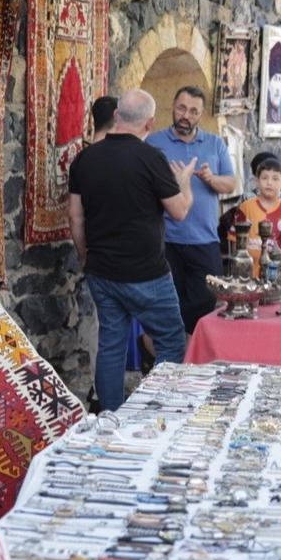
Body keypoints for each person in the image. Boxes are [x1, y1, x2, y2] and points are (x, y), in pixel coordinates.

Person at [68, 89, 196, 411]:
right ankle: (161, 412)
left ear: (116, 117)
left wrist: (85, 256)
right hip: (146, 274)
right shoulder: (150, 158)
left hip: (102, 271)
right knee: (170, 339)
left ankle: (110, 417)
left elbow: (75, 216)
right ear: (150, 123)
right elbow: (180, 211)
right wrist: (183, 181)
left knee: (111, 345)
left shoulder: (84, 158)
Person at [146, 86, 237, 336]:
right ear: (173, 107)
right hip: (166, 239)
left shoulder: (214, 143)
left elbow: (230, 183)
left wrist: (210, 178)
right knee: (166, 302)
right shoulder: (153, 143)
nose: (186, 115)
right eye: (182, 108)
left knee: (206, 300)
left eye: (193, 111)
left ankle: (167, 347)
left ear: (202, 114)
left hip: (204, 238)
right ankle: (165, 352)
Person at [230, 156, 281, 278]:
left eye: (275, 179)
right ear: (257, 181)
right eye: (264, 178)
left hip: (274, 277)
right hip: (247, 276)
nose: (269, 183)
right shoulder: (245, 208)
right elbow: (235, 240)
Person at [265, 41, 281, 124]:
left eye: (280, 79)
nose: (277, 88)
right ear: (269, 84)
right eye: (275, 79)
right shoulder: (266, 115)